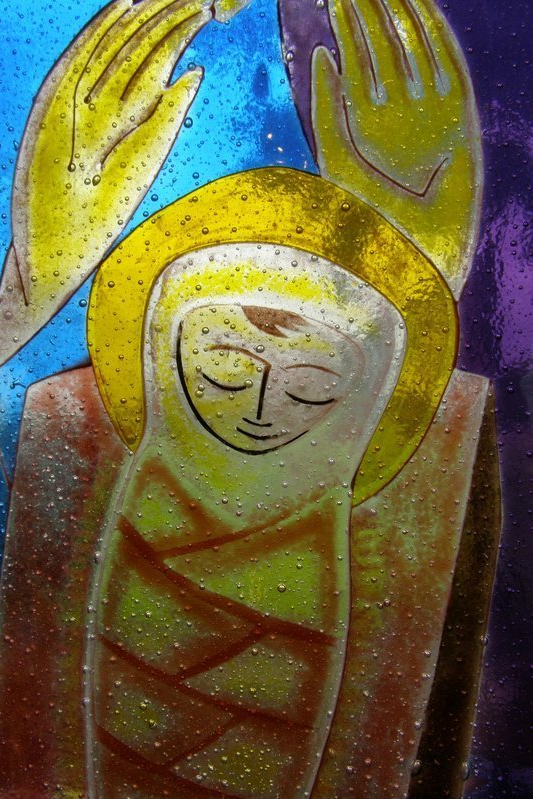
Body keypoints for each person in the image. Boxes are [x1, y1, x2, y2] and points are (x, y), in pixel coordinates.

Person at [83, 168, 456, 797]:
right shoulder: (144, 502)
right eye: (226, 372)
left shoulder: (319, 535)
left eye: (309, 386)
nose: (260, 407)